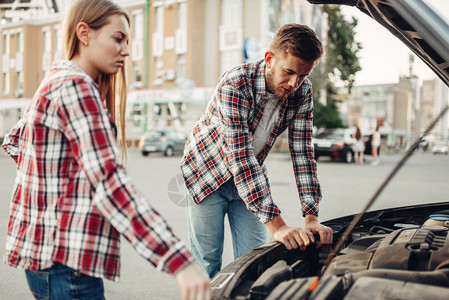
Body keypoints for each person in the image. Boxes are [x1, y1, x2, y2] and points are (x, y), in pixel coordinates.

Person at [1, 1, 210, 299]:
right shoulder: (76, 88)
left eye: (127, 41)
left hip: (44, 260)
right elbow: (110, 185)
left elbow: (16, 142)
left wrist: (62, 188)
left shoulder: (53, 81)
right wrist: (180, 261)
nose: (126, 50)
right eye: (118, 38)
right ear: (84, 33)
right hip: (67, 263)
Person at [180, 23, 333, 278]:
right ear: (269, 59)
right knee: (207, 264)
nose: (294, 83)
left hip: (249, 183)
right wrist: (279, 226)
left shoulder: (302, 93)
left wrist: (311, 217)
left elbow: (303, 154)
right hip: (206, 175)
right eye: (289, 72)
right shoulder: (236, 84)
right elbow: (240, 157)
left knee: (255, 262)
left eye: (303, 76)